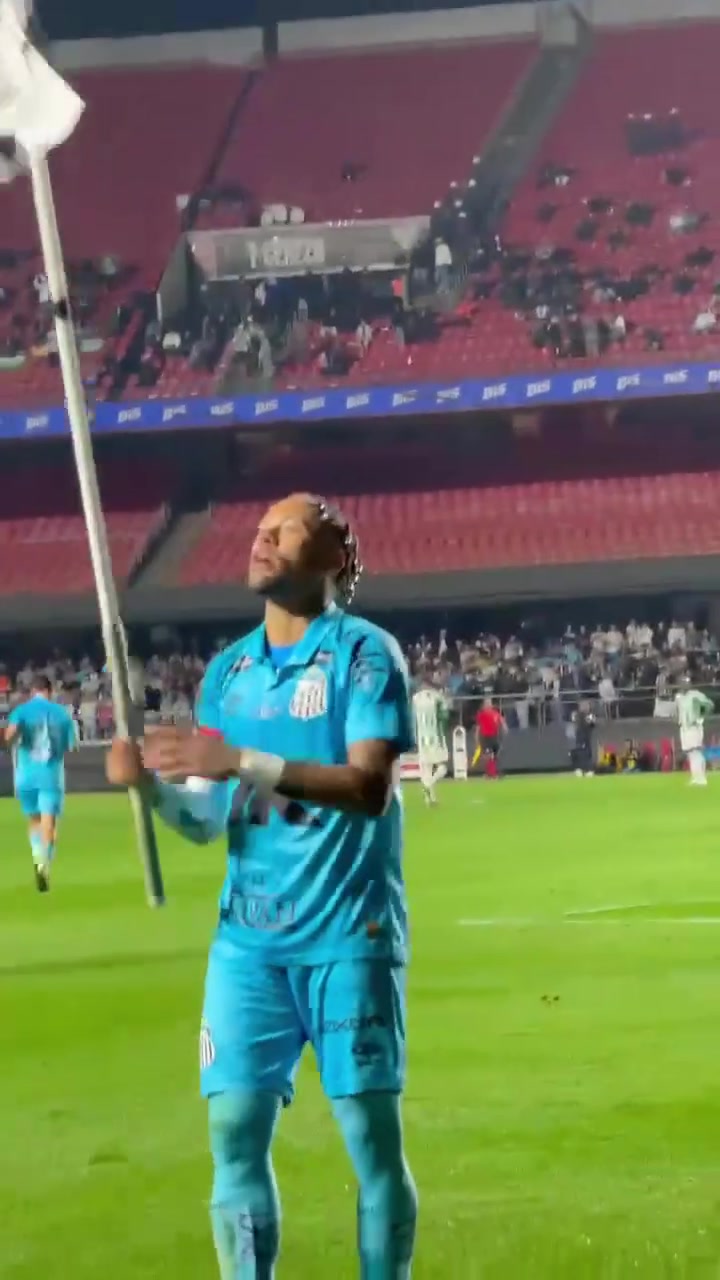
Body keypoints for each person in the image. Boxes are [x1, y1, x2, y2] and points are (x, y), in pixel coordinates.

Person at [106, 492, 418, 1280]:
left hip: (349, 936)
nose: (262, 540)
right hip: (249, 946)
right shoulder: (229, 674)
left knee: (370, 1140)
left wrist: (241, 761)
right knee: (234, 1132)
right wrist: (150, 790)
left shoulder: (365, 655)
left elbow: (369, 788)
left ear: (335, 557)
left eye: (285, 531)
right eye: (258, 530)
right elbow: (207, 819)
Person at [2, 673, 77, 891]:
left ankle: (37, 856)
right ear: (50, 691)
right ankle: (44, 864)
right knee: (49, 822)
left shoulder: (21, 711)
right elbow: (72, 747)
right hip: (50, 775)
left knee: (34, 820)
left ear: (33, 691)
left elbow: (9, 737)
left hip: (25, 775)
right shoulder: (61, 713)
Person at [412, 679, 449, 806]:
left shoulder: (415, 698)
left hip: (421, 738)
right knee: (442, 767)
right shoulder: (437, 697)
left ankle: (430, 799)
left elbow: (411, 719)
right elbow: (445, 717)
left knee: (426, 769)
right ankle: (428, 786)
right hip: (436, 737)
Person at [675, 678, 714, 786]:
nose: (683, 685)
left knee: (695, 752)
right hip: (684, 728)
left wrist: (701, 716)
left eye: (686, 683)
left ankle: (701, 778)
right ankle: (696, 777)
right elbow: (679, 711)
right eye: (681, 683)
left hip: (694, 727)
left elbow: (709, 704)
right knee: (690, 753)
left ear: (690, 684)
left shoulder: (696, 695)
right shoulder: (679, 697)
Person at [472, 697, 506, 778]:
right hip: (486, 738)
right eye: (486, 703)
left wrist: (504, 729)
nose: (488, 705)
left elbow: (502, 722)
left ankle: (492, 773)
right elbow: (478, 727)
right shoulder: (481, 714)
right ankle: (491, 773)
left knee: (493, 756)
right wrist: (476, 738)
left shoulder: (495, 713)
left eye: (489, 703)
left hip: (494, 737)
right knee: (488, 756)